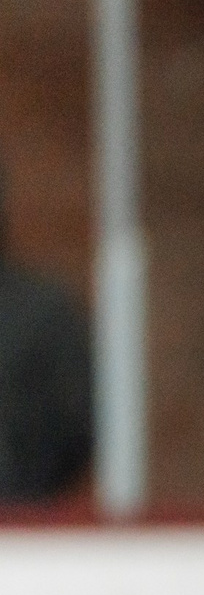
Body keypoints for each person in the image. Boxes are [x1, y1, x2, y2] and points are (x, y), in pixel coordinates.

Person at [0, 157, 93, 501]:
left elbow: (82, 425)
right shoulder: (45, 309)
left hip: (22, 529)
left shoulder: (44, 313)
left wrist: (27, 482)